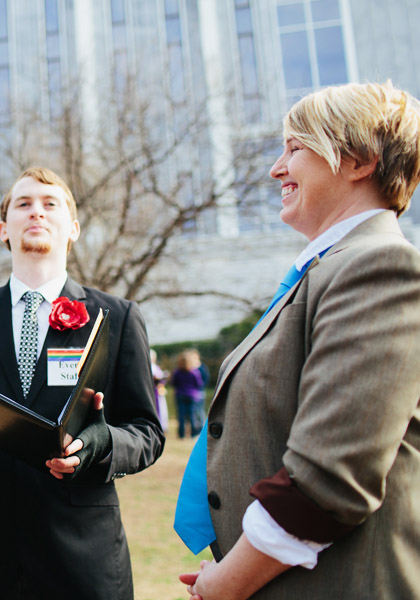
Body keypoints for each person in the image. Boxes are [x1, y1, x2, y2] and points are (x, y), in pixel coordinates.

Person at [177, 82, 420, 599]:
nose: (276, 168)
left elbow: (331, 476)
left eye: (296, 147)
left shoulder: (381, 266)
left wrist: (229, 581)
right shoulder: (326, 271)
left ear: (359, 159)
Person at [0, 166, 164, 599]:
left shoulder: (118, 317)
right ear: (2, 228)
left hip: (83, 560)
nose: (37, 212)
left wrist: (101, 444)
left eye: (51, 204)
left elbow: (148, 433)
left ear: (73, 228)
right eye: (23, 204)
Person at [169, 350, 204, 439]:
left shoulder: (177, 372)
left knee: (181, 415)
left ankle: (181, 434)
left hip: (180, 394)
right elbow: (199, 383)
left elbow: (173, 383)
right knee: (192, 416)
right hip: (192, 395)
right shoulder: (194, 372)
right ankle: (193, 434)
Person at [150, 349, 169, 432]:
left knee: (162, 409)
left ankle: (162, 425)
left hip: (158, 392)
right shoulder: (148, 367)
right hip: (152, 392)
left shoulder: (155, 367)